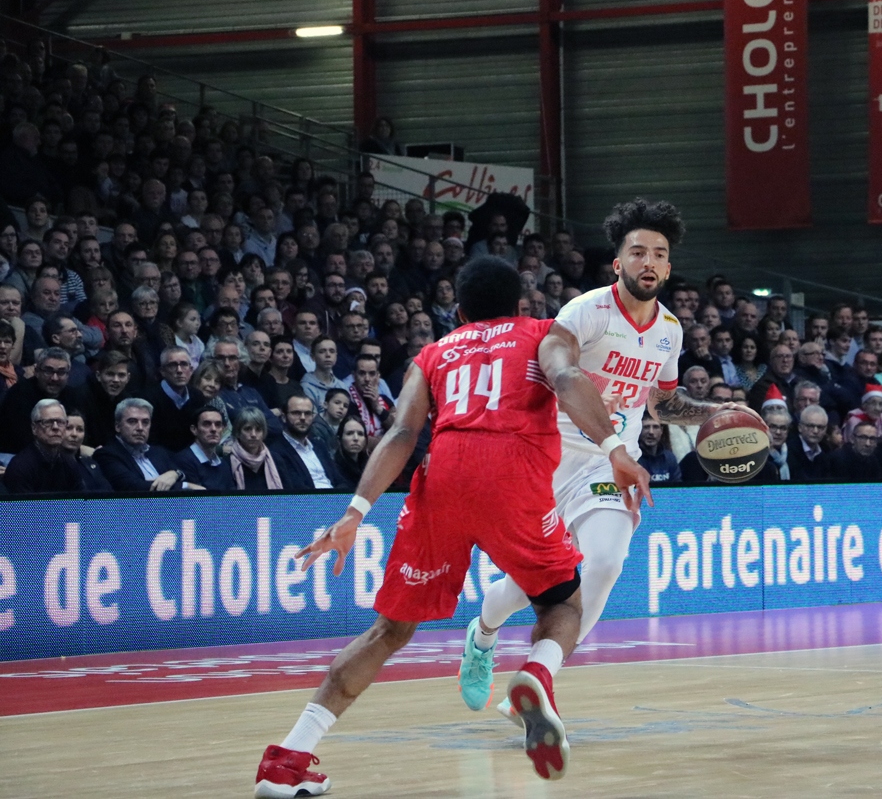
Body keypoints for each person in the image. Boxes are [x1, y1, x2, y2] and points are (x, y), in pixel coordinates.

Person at [254, 255, 651, 795]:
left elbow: (399, 434)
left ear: (459, 310)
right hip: (511, 475)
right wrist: (615, 448)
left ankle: (286, 761)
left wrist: (355, 512)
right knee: (562, 603)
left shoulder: (434, 352)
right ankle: (534, 675)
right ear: (520, 305)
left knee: (388, 631)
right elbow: (566, 376)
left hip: (441, 476)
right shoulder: (542, 332)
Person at [469, 199, 747, 723]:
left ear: (667, 268)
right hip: (546, 453)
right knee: (538, 578)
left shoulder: (669, 330)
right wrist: (588, 387)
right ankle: (482, 634)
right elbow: (553, 366)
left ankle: (536, 681)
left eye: (658, 254)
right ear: (618, 263)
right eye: (637, 251)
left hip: (607, 464)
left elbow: (661, 402)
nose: (648, 261)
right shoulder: (585, 311)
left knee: (605, 562)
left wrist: (716, 411)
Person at [96, 398, 198, 491]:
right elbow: (134, 487)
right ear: (118, 426)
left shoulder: (159, 452)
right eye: (132, 421)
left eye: (145, 422)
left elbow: (186, 473)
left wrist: (175, 474)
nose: (140, 428)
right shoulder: (106, 455)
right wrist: (186, 486)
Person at [270, 395, 348, 491]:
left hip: (334, 501)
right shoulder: (276, 451)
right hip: (308, 503)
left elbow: (339, 480)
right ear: (284, 417)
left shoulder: (319, 445)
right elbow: (297, 490)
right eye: (296, 413)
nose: (303, 418)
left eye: (307, 413)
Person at [3, 399, 83, 493]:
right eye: (48, 422)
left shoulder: (70, 463)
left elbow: (81, 503)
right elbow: (23, 507)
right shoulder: (20, 467)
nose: (55, 427)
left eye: (60, 422)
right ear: (34, 428)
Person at [172, 404, 234, 491]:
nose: (213, 429)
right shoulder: (183, 461)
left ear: (223, 429)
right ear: (194, 430)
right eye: (207, 424)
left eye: (218, 424)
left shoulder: (224, 465)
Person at [62, 407, 113, 491]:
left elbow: (108, 494)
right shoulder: (50, 465)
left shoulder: (91, 464)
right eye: (68, 428)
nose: (74, 434)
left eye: (80, 429)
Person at [789, 404, 832, 481]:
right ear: (800, 427)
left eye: (820, 427)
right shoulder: (789, 451)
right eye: (810, 426)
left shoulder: (826, 452)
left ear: (826, 430)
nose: (815, 431)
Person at [637, 412, 682, 483]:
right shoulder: (632, 459)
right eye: (646, 427)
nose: (651, 432)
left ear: (661, 430)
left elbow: (677, 488)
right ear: (639, 430)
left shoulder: (670, 458)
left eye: (655, 427)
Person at [331, 415, 369, 487]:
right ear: (339, 439)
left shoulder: (370, 465)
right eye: (350, 433)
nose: (356, 438)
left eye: (360, 434)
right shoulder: (333, 467)